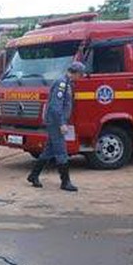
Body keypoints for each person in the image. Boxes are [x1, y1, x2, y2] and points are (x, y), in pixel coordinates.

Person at [27, 61, 85, 192]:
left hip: (56, 121)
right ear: (74, 72)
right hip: (55, 122)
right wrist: (61, 123)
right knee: (61, 151)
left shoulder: (67, 83)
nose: (80, 77)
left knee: (49, 151)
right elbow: (55, 107)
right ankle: (65, 182)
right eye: (80, 75)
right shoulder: (62, 83)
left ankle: (33, 175)